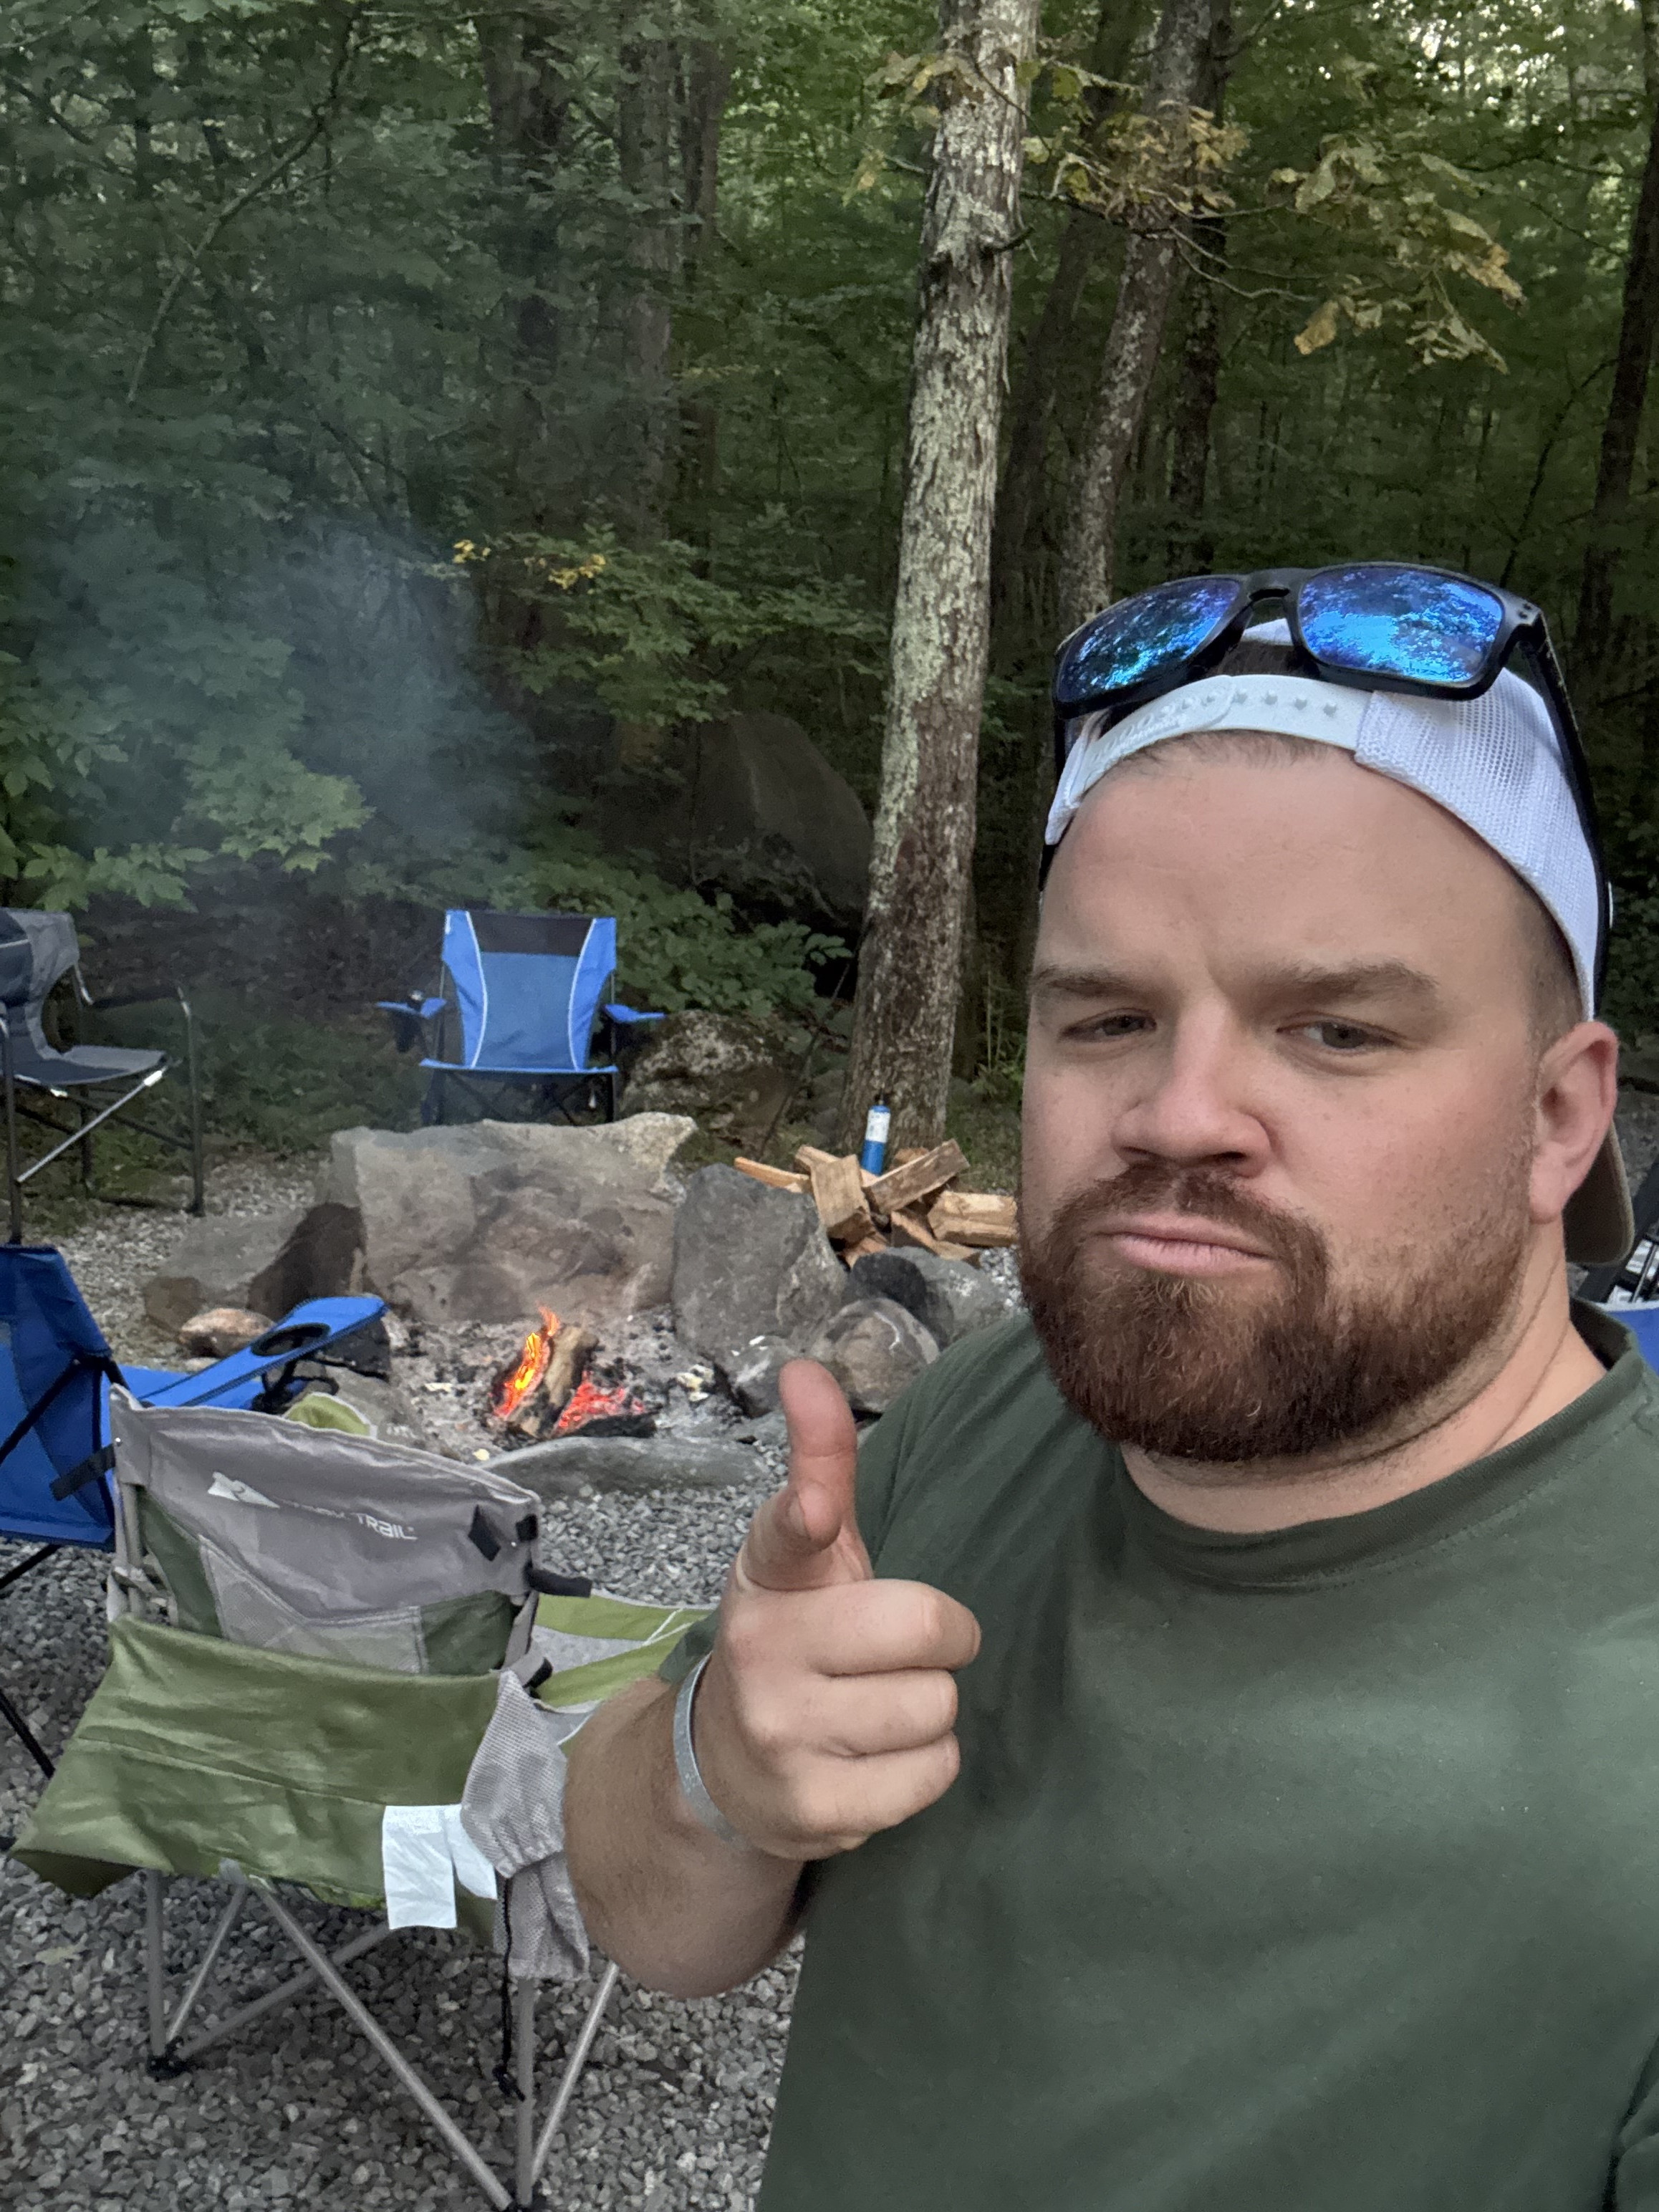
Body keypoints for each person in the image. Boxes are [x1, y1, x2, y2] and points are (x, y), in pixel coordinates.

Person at [564, 562, 1659, 2211]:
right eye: (1112, 1017)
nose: (1179, 1110)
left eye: (1337, 1029)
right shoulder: (985, 1414)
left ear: (1561, 1119)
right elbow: (645, 1918)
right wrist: (719, 1763)